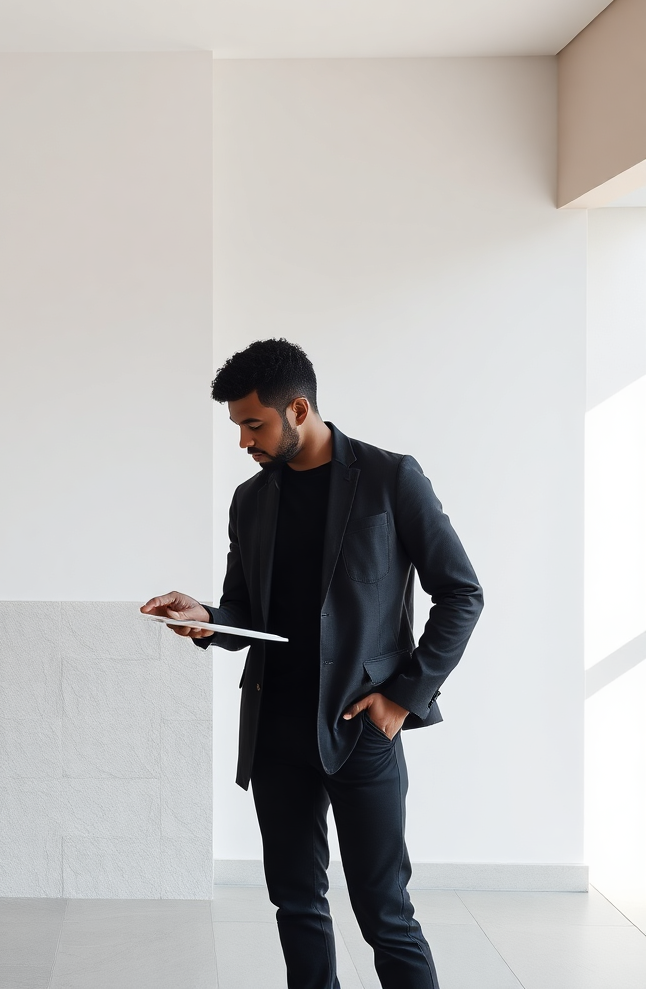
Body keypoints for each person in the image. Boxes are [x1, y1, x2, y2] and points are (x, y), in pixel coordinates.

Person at [142, 338, 483, 989]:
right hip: (275, 734)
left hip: (361, 730)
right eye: (239, 425)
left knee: (387, 914)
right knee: (296, 906)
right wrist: (206, 620)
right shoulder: (250, 501)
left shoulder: (391, 480)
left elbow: (462, 592)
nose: (245, 440)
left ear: (298, 409)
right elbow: (247, 614)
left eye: (253, 423)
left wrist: (403, 696)